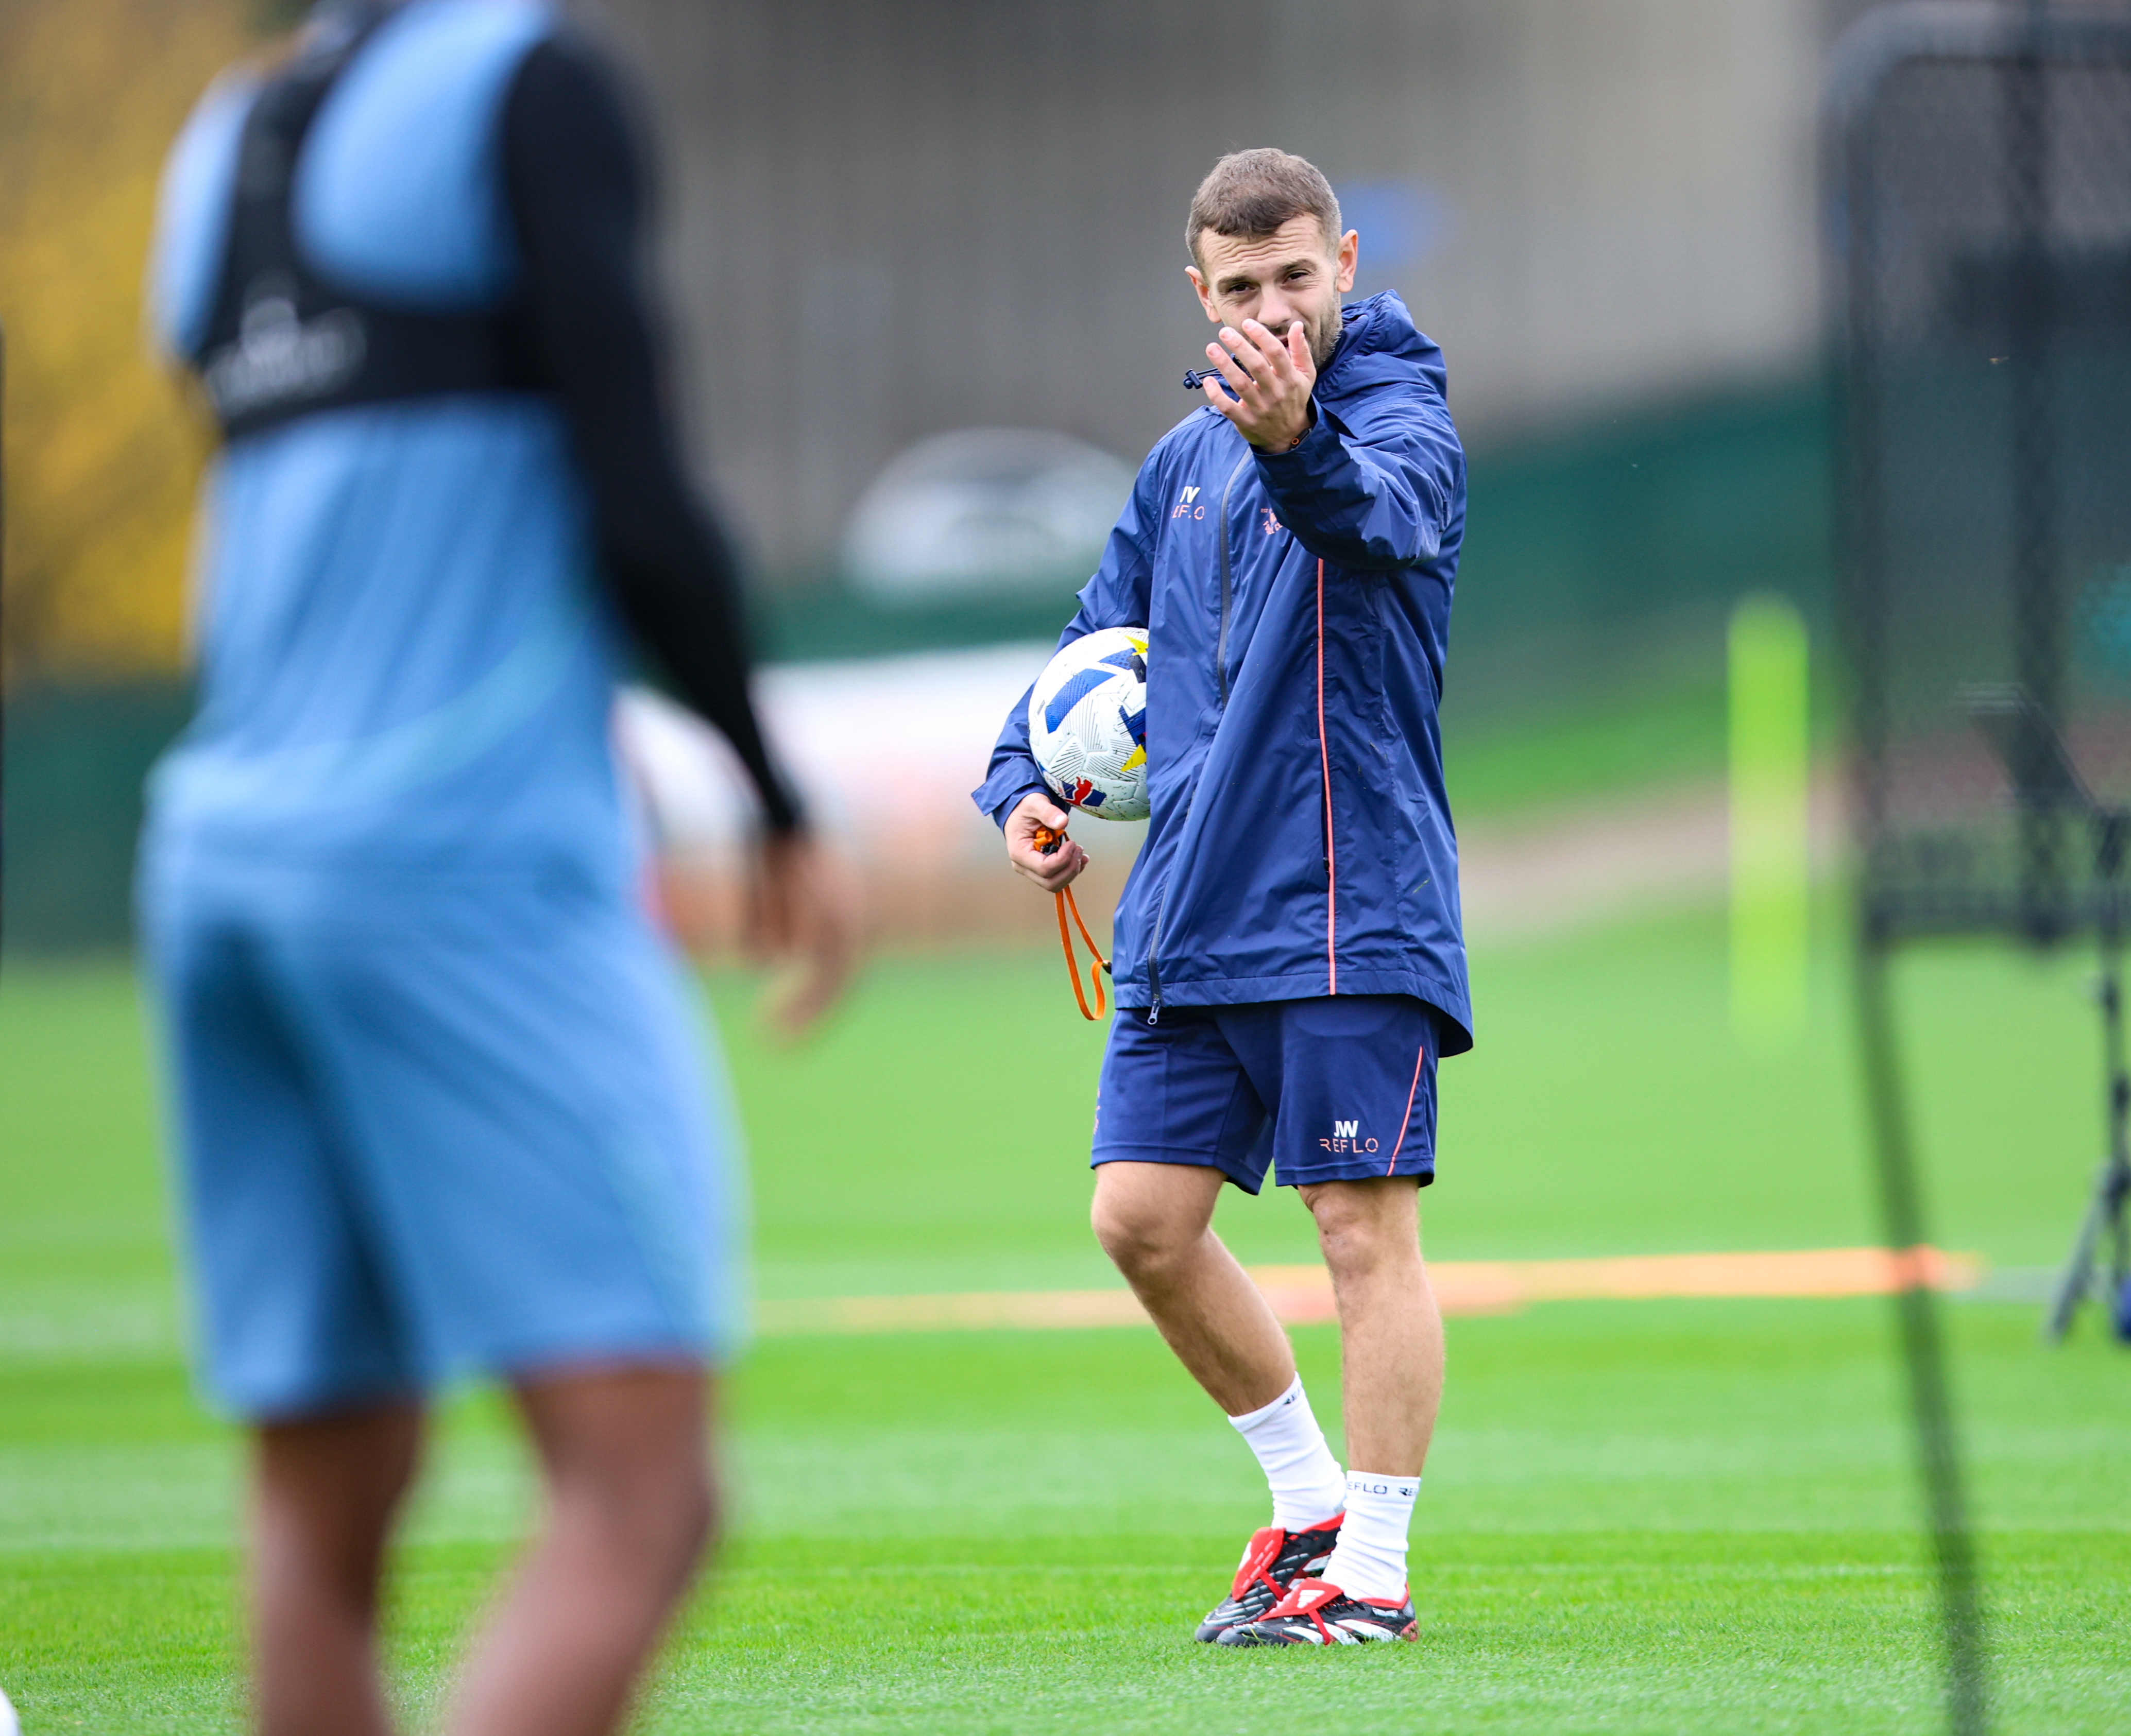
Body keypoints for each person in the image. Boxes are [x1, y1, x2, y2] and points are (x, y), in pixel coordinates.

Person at [140, 3, 865, 1731]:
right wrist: (770, 789)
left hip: (220, 859)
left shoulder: (225, 140)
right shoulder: (529, 83)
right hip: (450, 856)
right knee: (642, 1494)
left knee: (321, 1507)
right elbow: (638, 494)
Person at [973, 149, 1468, 1647]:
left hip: (1344, 896)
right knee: (1139, 1221)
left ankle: (1371, 1575)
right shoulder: (1179, 464)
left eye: (1297, 278)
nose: (1272, 310)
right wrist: (1023, 786)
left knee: (1357, 1229)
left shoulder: (1398, 417)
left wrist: (1292, 437)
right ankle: (1304, 1506)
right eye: (1242, 287)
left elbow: (1374, 517)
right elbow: (1088, 646)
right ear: (1202, 292)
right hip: (1191, 908)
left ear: (1344, 265)